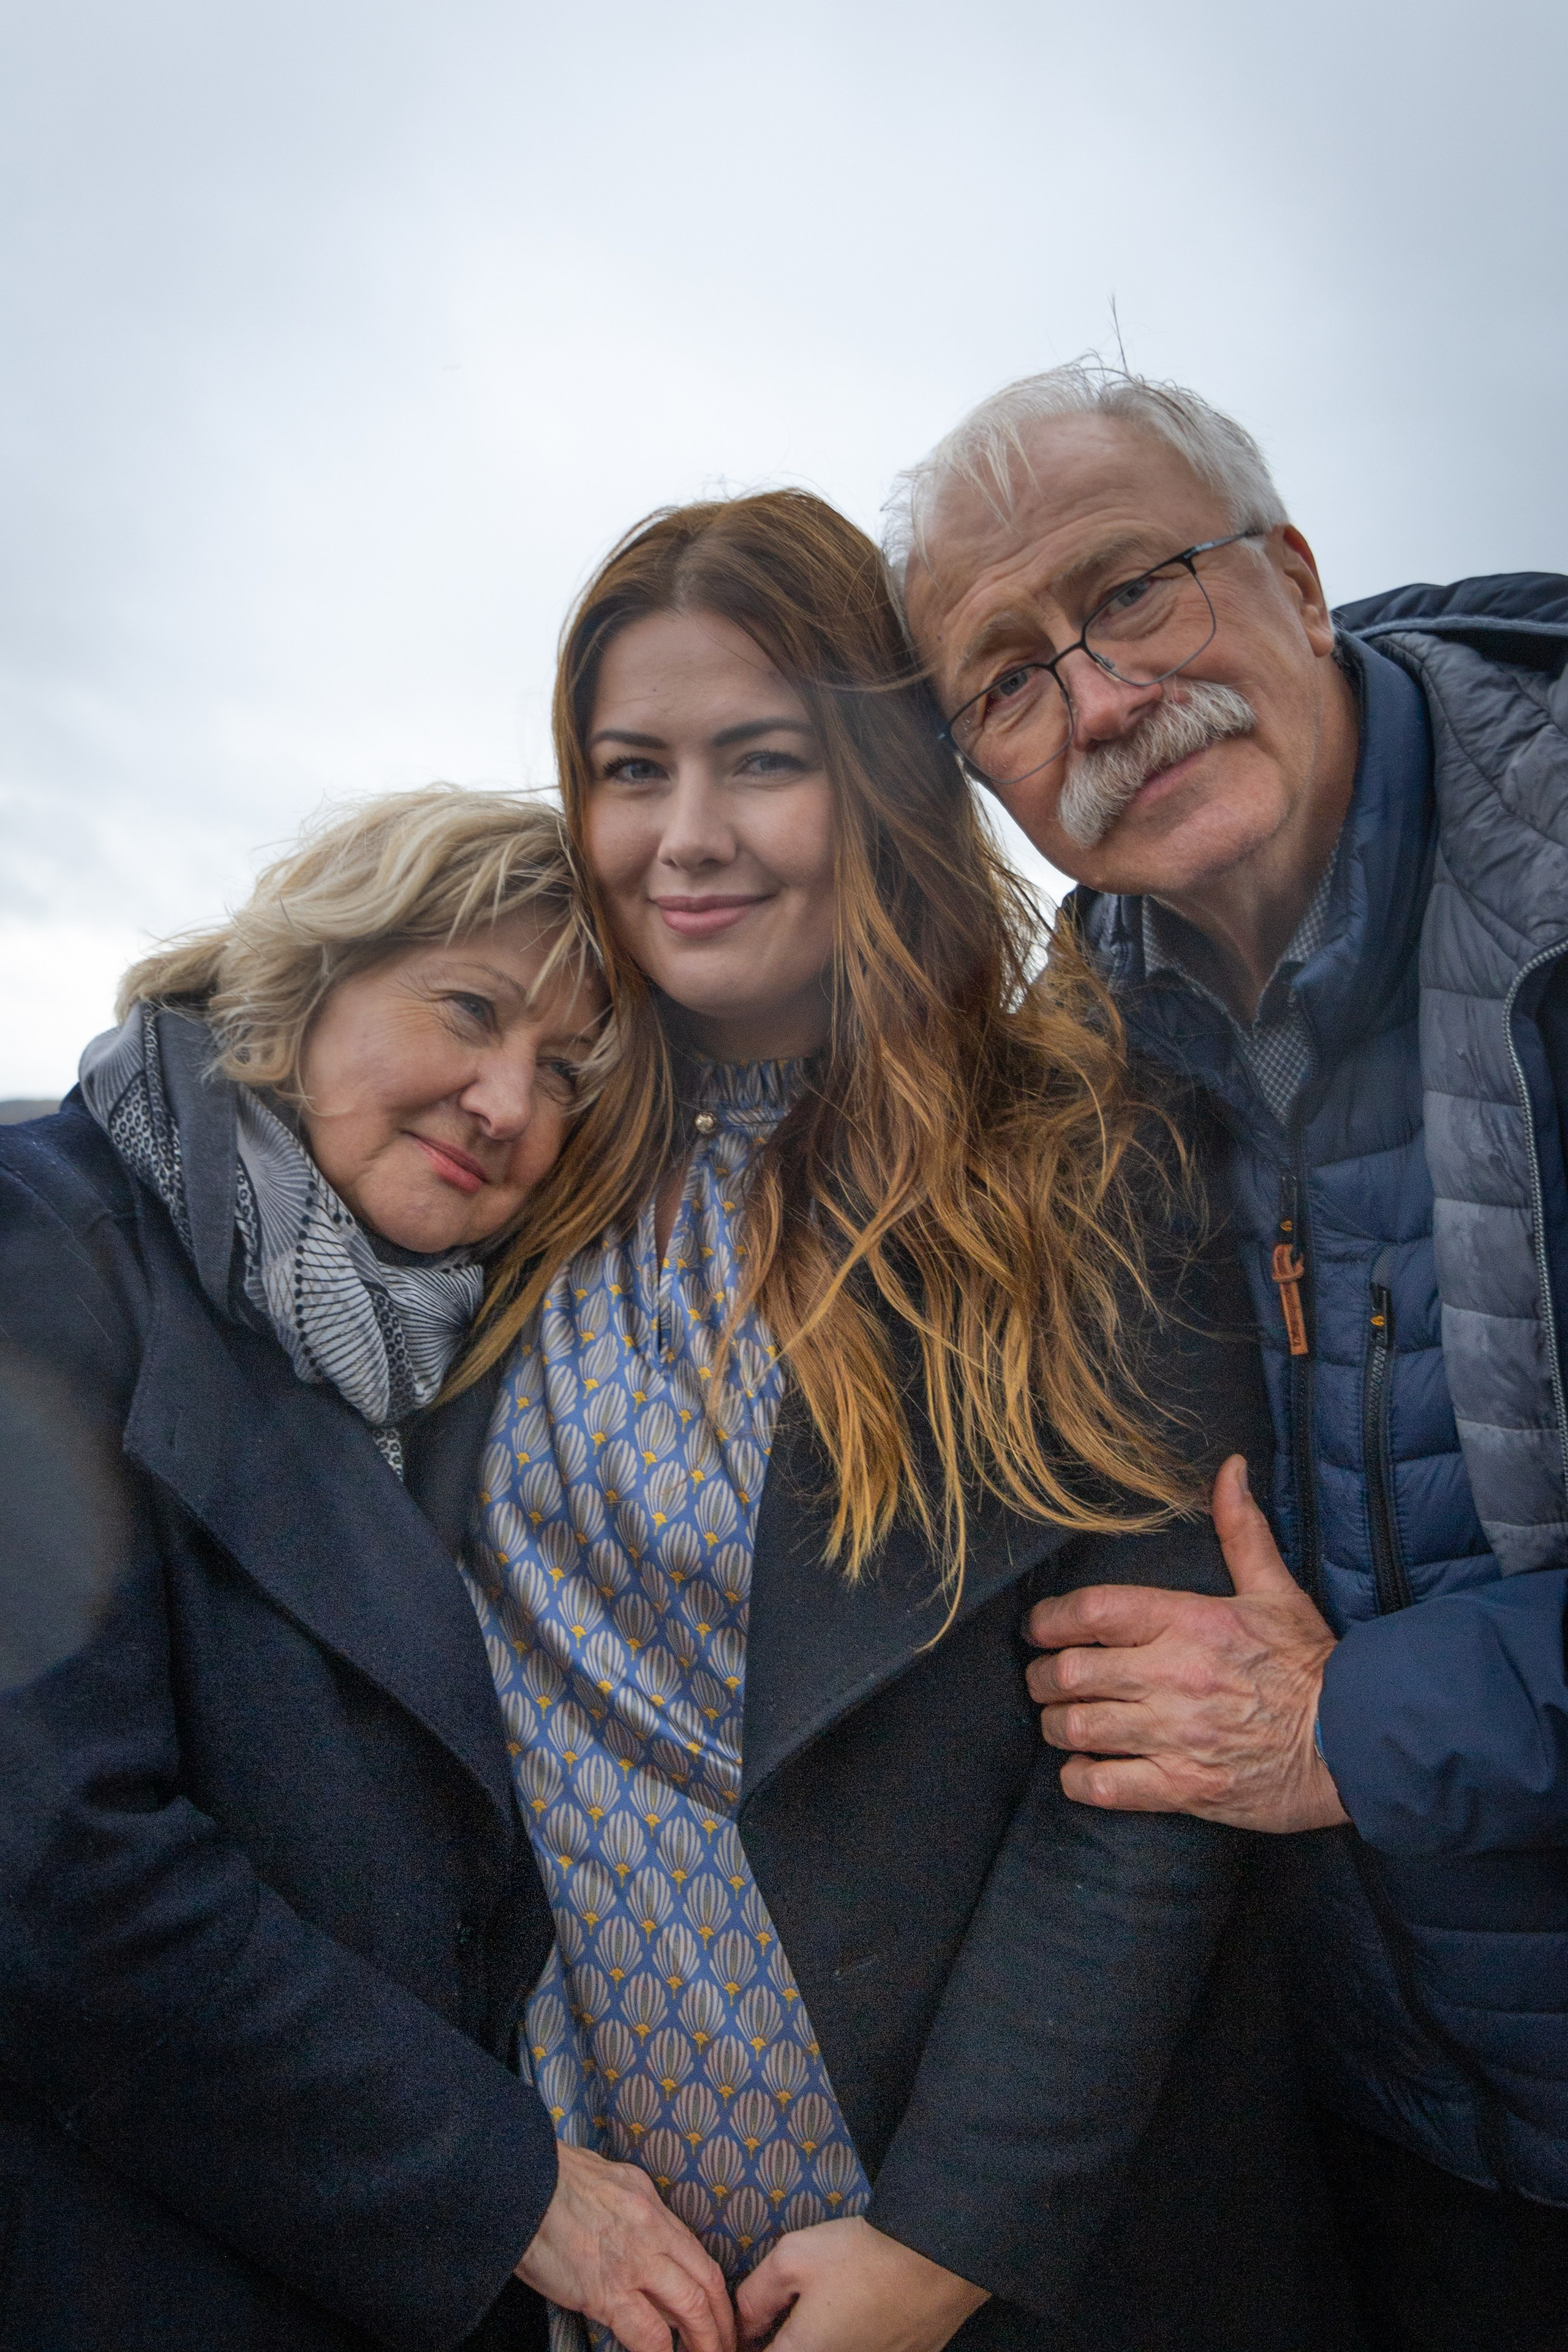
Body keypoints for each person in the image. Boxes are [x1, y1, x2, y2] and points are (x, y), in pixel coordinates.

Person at [450, 489, 1357, 2352]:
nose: (685, 838)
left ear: (875, 780)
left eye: (761, 761)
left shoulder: (1083, 1156)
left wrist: (949, 2241)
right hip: (589, 2220)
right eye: (632, 769)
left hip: (966, 2237)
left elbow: (1143, 1776)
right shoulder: (521, 1165)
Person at [887, 362, 1568, 2351]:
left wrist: (1358, 1725)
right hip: (1412, 2152)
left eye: (1134, 591)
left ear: (1289, 569)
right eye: (1006, 681)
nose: (1097, 701)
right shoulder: (1091, 1037)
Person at [0, 787, 612, 2351]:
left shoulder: (441, 1351)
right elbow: (52, 1863)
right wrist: (498, 2187)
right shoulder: (43, 1246)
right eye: (469, 1011)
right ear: (306, 980)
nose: (505, 1104)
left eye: (562, 1075)